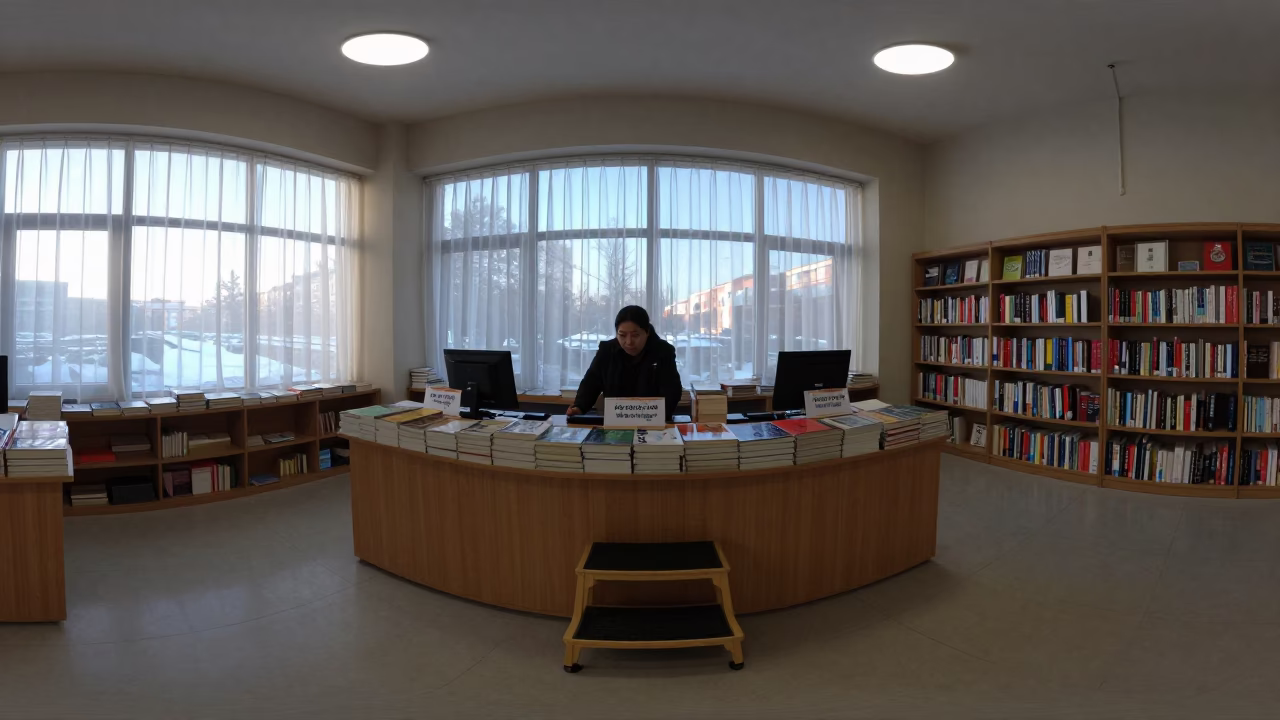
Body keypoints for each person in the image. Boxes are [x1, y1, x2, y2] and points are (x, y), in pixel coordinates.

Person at [568, 305, 683, 420]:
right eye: (622, 335)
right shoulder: (607, 351)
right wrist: (579, 407)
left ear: (647, 332)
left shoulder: (663, 351)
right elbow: (591, 383)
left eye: (635, 335)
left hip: (653, 422)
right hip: (615, 422)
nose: (628, 342)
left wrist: (655, 417)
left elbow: (672, 391)